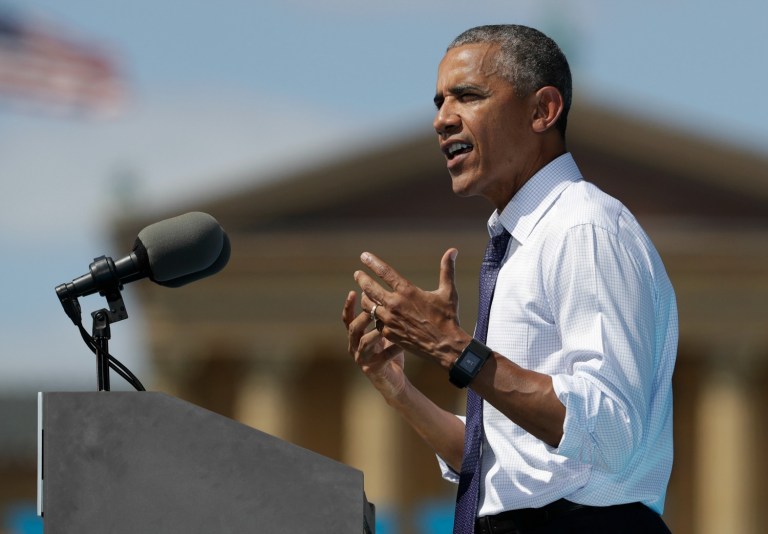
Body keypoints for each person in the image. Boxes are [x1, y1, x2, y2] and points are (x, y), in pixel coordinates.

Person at [342, 24, 676, 534]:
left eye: (468, 97)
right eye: (439, 102)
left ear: (543, 110)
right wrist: (398, 389)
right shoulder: (521, 244)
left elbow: (610, 431)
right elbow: (505, 465)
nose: (441, 120)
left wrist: (454, 349)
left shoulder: (583, 226)